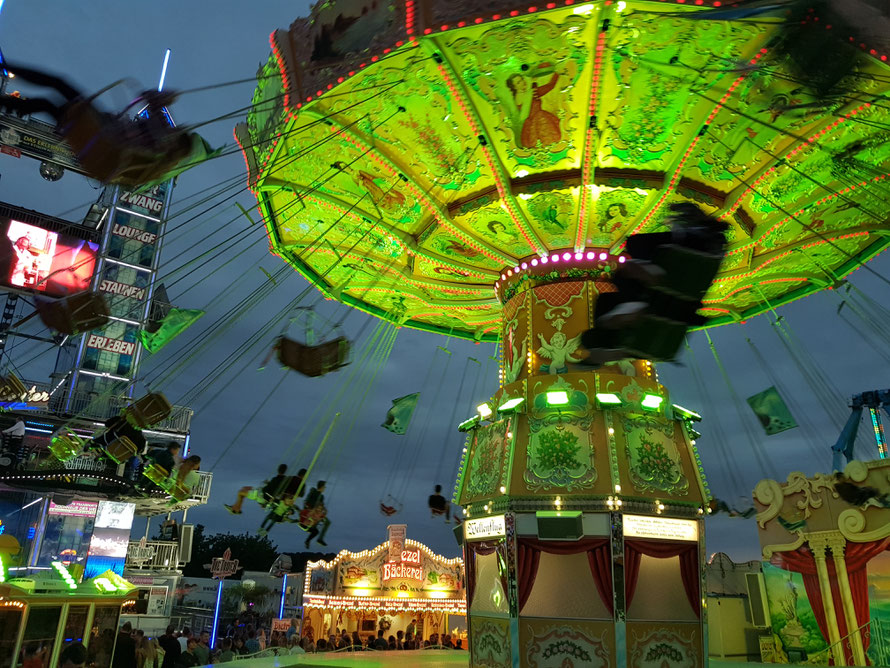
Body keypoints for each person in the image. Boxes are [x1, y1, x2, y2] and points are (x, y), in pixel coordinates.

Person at [0, 65, 222, 189]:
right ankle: (11, 103)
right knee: (48, 103)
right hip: (96, 146)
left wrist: (163, 100)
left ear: (180, 142)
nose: (178, 128)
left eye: (180, 132)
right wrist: (162, 100)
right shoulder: (158, 160)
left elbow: (149, 102)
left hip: (101, 136)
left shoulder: (162, 144)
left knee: (59, 84)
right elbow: (151, 102)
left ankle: (7, 68)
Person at [580, 202, 728, 365]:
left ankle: (639, 294)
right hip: (673, 297)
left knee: (624, 267)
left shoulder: (688, 240)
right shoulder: (714, 245)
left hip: (663, 296)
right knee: (615, 284)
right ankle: (642, 287)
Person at [302, 480, 330, 548]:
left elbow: (321, 506)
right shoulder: (315, 493)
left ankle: (313, 539)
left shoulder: (320, 496)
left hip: (316, 512)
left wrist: (323, 509)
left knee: (321, 526)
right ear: (322, 487)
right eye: (324, 487)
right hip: (312, 512)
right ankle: (319, 538)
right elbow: (308, 502)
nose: (324, 488)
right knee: (325, 522)